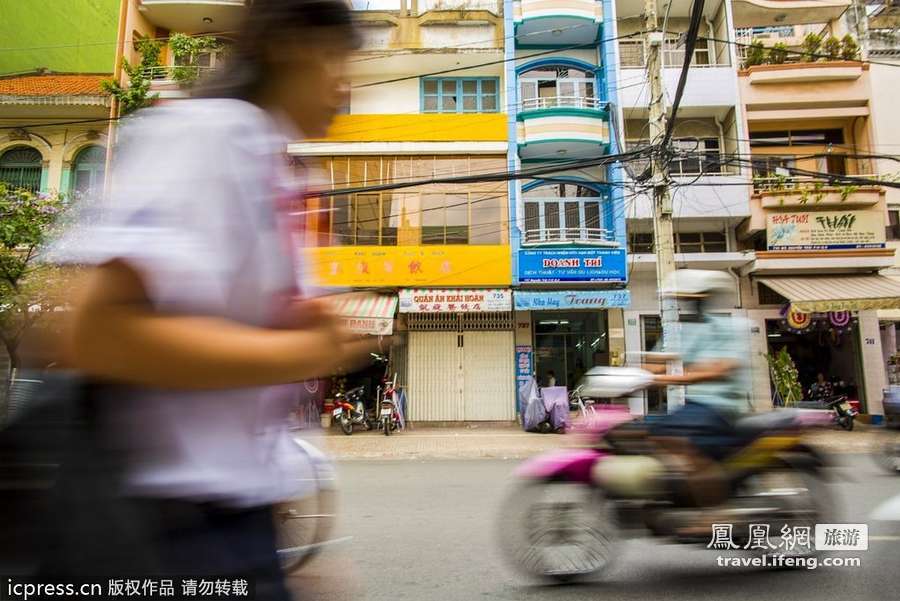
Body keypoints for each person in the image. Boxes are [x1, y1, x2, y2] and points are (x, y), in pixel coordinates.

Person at [49, 0, 367, 596]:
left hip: (232, 519)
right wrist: (303, 352)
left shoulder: (268, 162)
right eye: (335, 60)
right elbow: (97, 331)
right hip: (170, 527)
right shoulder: (212, 134)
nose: (342, 87)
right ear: (290, 47)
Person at [644, 270, 752, 507]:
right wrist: (634, 375)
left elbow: (718, 370)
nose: (686, 305)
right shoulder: (686, 329)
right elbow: (661, 360)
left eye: (690, 300)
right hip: (698, 405)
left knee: (665, 432)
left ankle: (716, 510)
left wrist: (670, 380)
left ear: (703, 299)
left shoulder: (727, 327)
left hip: (720, 406)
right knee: (644, 429)